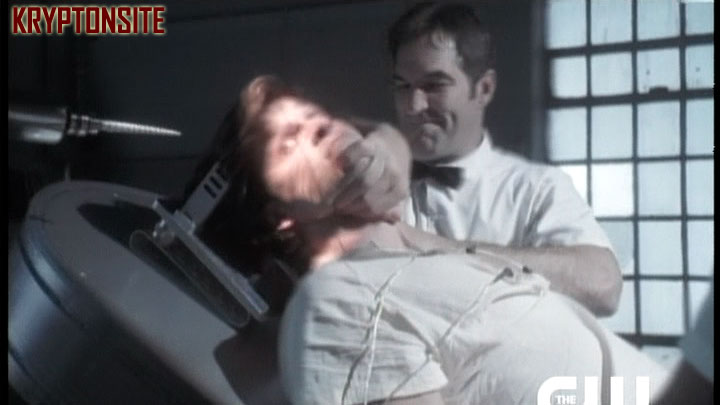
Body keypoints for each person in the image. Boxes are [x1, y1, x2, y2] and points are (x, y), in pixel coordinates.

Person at [196, 75, 669, 405]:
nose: (316, 127)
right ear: (282, 217)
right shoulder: (340, 305)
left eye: (312, 114)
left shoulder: (423, 258)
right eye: (288, 143)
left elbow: (600, 282)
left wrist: (406, 230)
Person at [329, 2, 622, 317]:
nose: (413, 106)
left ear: (484, 89)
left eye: (434, 85)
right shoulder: (371, 178)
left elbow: (603, 286)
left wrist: (424, 245)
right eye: (403, 86)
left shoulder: (536, 189)